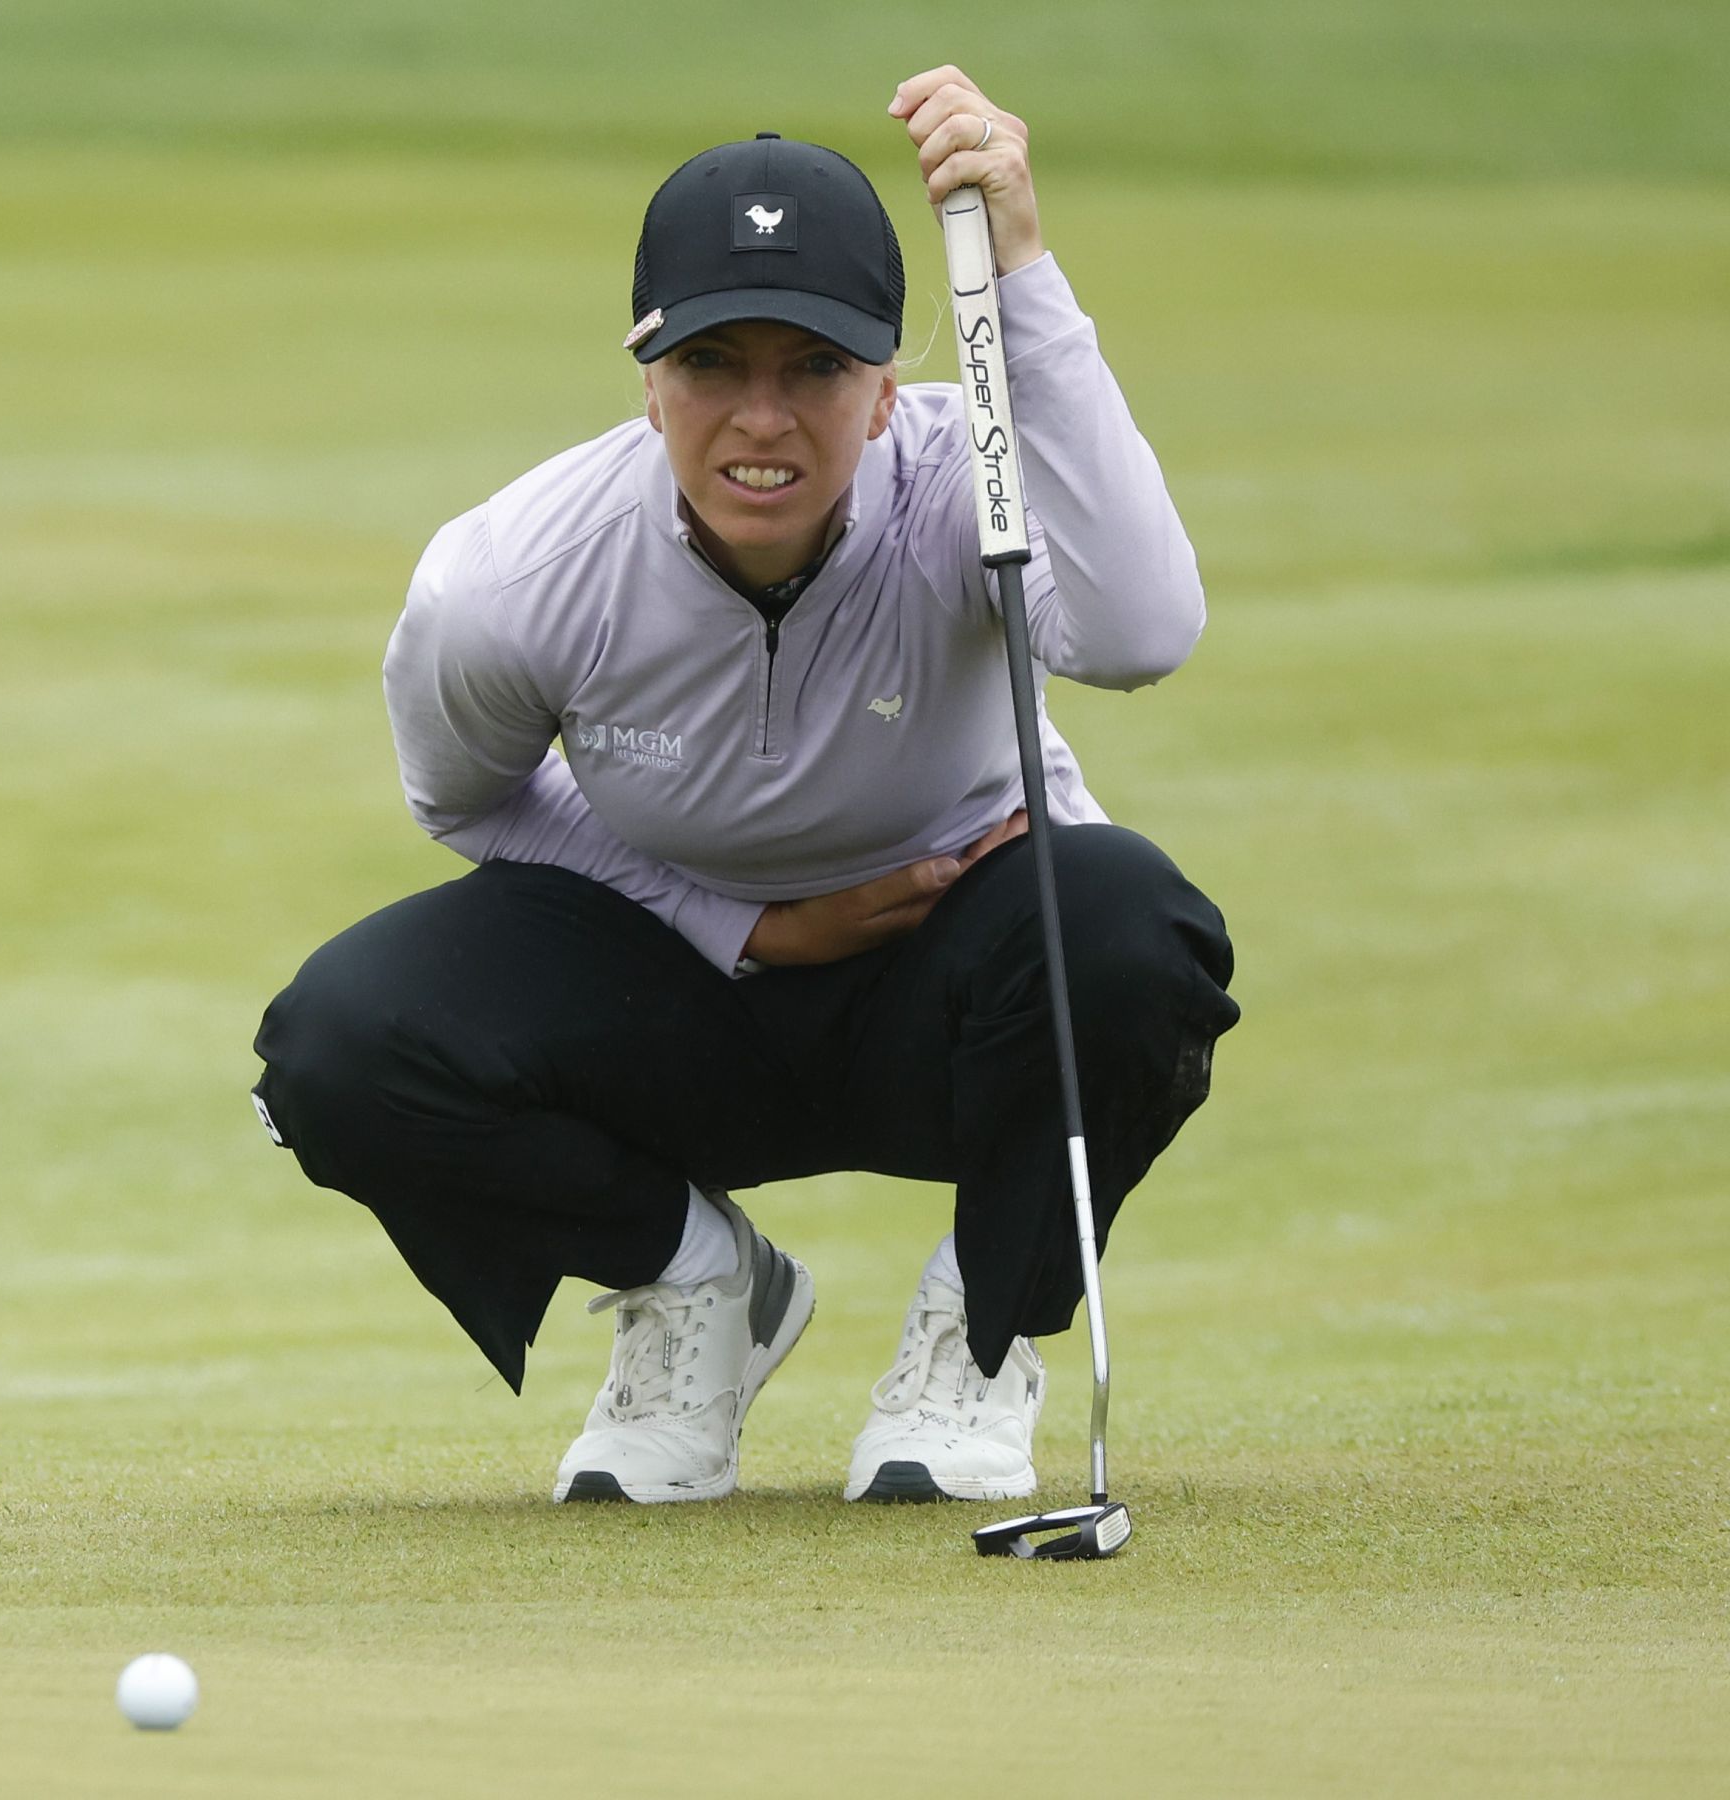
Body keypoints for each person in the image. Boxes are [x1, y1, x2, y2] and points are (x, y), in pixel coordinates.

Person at [247, 66, 1240, 1505]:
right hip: (673, 1006)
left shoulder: (974, 481)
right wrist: (744, 927)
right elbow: (469, 804)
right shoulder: (511, 580)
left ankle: (977, 1340)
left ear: (888, 387)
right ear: (648, 377)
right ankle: (702, 1288)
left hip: (957, 994)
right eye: (715, 366)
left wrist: (1020, 271)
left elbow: (1143, 632)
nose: (761, 421)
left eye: (817, 370)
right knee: (339, 1045)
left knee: (1133, 925)